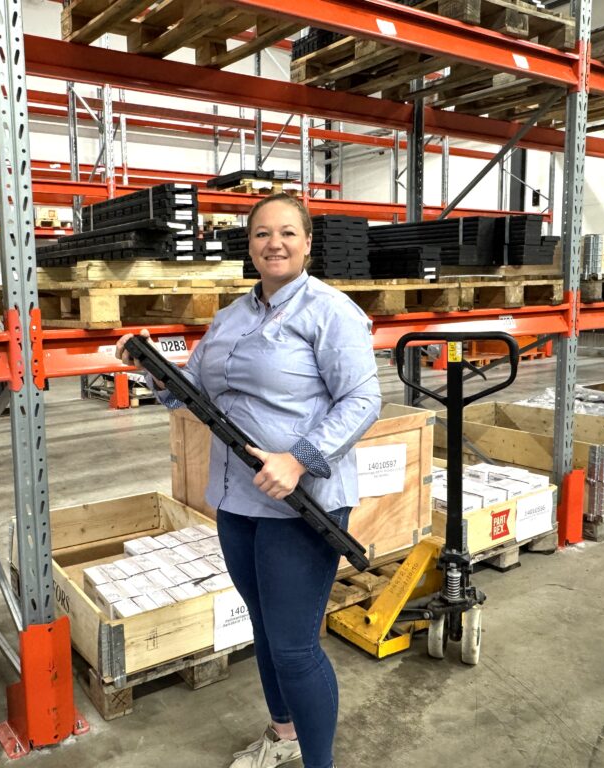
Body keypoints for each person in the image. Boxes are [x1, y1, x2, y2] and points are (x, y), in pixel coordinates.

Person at [117, 193, 380, 768]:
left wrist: (299, 459)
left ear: (307, 243)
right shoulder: (230, 316)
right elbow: (194, 393)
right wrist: (154, 370)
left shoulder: (330, 311)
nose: (274, 243)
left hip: (301, 504)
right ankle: (284, 737)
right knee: (264, 629)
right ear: (250, 245)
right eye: (262, 233)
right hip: (239, 501)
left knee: (294, 648)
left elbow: (363, 401)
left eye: (287, 232)